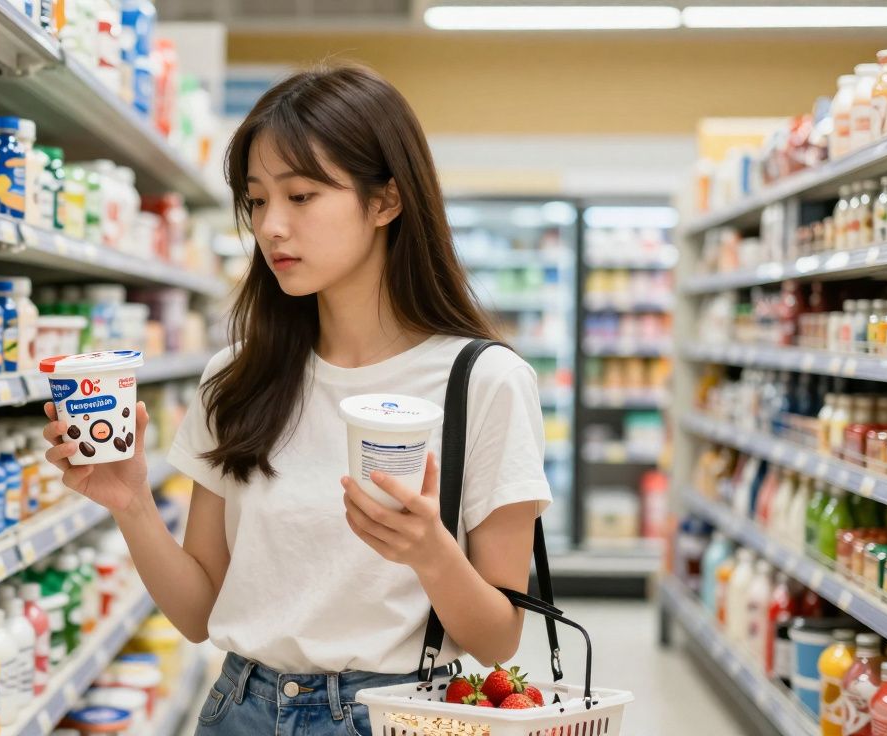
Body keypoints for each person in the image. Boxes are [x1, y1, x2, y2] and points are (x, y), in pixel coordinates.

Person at [41, 64, 552, 734]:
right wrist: (132, 503)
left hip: (395, 714)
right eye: (256, 201)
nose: (271, 226)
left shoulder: (483, 382)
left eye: (302, 196)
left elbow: (497, 640)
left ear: (386, 201)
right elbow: (199, 614)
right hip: (238, 710)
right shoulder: (238, 379)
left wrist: (430, 551)